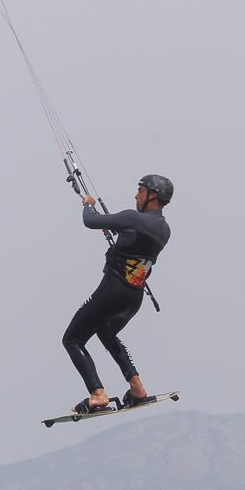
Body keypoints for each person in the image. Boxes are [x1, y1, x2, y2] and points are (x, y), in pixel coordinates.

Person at [61, 174, 173, 414]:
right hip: (134, 297)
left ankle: (97, 394)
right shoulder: (164, 230)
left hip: (112, 291)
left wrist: (88, 203)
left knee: (72, 339)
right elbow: (133, 240)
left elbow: (90, 221)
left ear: (153, 196)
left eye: (140, 191)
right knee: (106, 332)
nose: (136, 195)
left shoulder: (132, 218)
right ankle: (137, 388)